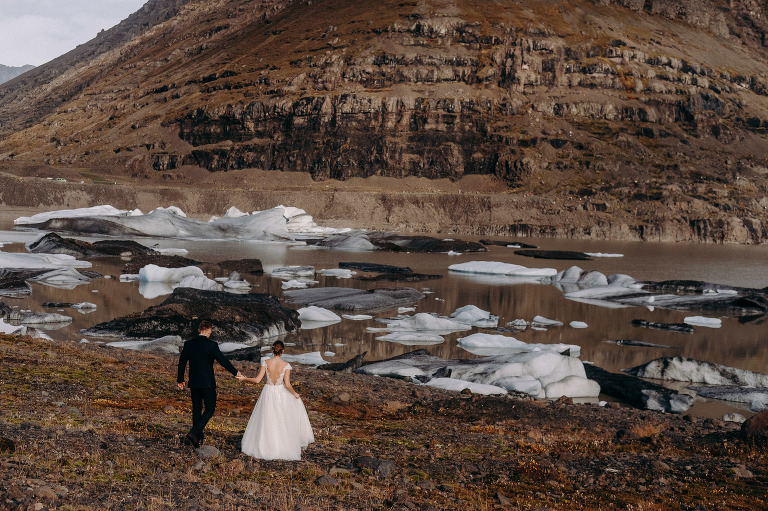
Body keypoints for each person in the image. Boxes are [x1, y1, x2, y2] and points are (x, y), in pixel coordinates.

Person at [237, 340, 314, 460]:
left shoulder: (265, 362)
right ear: (282, 351)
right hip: (279, 393)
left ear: (273, 350)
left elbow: (257, 380)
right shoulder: (286, 365)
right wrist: (295, 394)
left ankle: (264, 445)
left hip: (267, 392)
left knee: (266, 419)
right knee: (280, 419)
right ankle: (279, 446)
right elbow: (287, 385)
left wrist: (244, 378)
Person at [177, 319, 242, 448]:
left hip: (194, 382)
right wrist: (235, 372)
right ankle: (194, 433)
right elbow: (222, 360)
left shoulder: (189, 344)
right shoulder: (212, 345)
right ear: (209, 330)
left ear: (199, 330)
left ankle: (197, 439)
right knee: (210, 409)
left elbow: (182, 362)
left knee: (197, 410)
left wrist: (180, 379)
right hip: (207, 382)